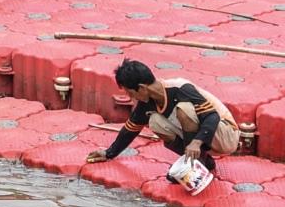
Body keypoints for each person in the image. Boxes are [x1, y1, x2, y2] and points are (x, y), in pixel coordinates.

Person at [86, 60, 240, 174]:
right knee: (155, 122)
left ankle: (194, 165)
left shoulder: (180, 88)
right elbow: (130, 130)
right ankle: (202, 162)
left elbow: (212, 117)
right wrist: (108, 153)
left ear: (141, 88)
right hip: (203, 142)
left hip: (225, 134)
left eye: (130, 93)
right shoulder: (146, 103)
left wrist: (196, 143)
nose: (131, 98)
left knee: (184, 108)